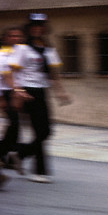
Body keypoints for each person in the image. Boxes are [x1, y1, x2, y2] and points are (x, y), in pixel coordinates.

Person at [9, 14, 72, 183]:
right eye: (34, 25)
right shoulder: (23, 48)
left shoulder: (48, 49)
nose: (37, 28)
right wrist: (17, 91)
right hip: (27, 92)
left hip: (41, 92)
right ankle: (40, 171)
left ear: (44, 28)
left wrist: (60, 92)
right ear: (29, 28)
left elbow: (53, 74)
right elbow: (12, 72)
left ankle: (20, 155)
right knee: (39, 131)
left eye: (40, 25)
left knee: (46, 131)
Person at [1, 27, 27, 177]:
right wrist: (2, 98)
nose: (15, 38)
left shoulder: (22, 53)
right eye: (11, 36)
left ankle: (9, 155)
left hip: (18, 92)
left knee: (15, 125)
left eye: (18, 36)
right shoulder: (2, 55)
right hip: (6, 92)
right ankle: (9, 154)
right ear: (5, 38)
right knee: (14, 123)